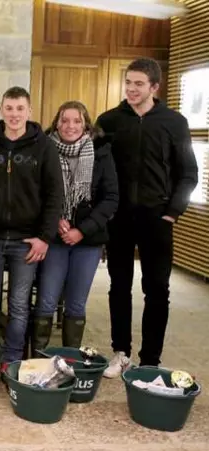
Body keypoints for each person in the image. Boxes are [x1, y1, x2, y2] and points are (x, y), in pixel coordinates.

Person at [96, 57, 198, 376]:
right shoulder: (109, 120)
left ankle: (150, 359)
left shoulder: (174, 122)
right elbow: (95, 170)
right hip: (119, 218)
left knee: (157, 289)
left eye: (139, 84)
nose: (131, 89)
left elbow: (189, 173)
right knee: (119, 286)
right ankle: (120, 352)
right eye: (128, 82)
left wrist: (172, 213)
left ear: (154, 86)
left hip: (157, 219)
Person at [0, 86, 64, 395]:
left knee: (19, 306)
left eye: (19, 108)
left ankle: (11, 362)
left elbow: (55, 196)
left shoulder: (44, 147)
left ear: (29, 111)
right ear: (1, 109)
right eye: (9, 108)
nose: (14, 114)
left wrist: (44, 238)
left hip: (28, 240)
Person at [31, 101, 119, 351]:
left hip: (87, 240)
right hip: (54, 238)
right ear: (56, 123)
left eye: (77, 121)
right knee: (46, 302)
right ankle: (38, 358)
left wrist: (82, 230)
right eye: (65, 120)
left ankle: (70, 360)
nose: (70, 126)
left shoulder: (101, 152)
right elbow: (36, 194)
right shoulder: (43, 149)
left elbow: (111, 198)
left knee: (76, 305)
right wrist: (54, 218)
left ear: (86, 124)